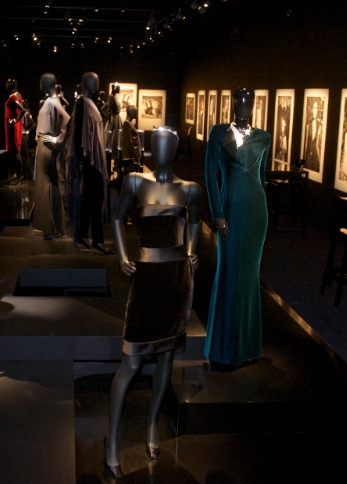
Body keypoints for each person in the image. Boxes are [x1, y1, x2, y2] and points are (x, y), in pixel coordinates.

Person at [104, 126, 200, 480]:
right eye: (154, 144)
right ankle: (112, 442)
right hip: (145, 279)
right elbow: (117, 218)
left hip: (175, 280)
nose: (158, 150)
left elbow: (195, 223)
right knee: (131, 361)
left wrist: (191, 252)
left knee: (166, 359)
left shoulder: (189, 189)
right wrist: (121, 256)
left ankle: (151, 426)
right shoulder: (134, 182)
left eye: (165, 145)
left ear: (173, 150)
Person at [204, 87, 270, 368]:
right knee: (229, 273)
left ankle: (248, 347)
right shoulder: (218, 133)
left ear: (254, 105)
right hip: (229, 210)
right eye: (239, 101)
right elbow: (210, 173)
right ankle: (224, 349)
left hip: (256, 213)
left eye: (248, 101)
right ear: (232, 103)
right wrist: (216, 213)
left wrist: (265, 214)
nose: (243, 106)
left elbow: (261, 178)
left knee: (250, 277)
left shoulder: (263, 137)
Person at [67, 72, 110, 254]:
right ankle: (97, 240)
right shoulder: (81, 103)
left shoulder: (90, 102)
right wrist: (81, 159)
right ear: (84, 82)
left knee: (87, 197)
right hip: (90, 159)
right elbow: (77, 131)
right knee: (97, 198)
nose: (96, 82)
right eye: (92, 80)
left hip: (93, 158)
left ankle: (83, 235)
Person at [32, 73, 70, 239]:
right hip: (45, 147)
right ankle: (53, 226)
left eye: (42, 81)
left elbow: (69, 121)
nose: (40, 83)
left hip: (47, 148)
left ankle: (51, 227)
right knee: (48, 185)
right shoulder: (51, 100)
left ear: (47, 83)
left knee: (49, 185)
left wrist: (57, 139)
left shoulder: (52, 101)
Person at [4, 78, 26, 183]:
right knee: (15, 151)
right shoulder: (18, 95)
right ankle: (17, 175)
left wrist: (16, 119)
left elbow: (22, 110)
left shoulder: (13, 97)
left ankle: (19, 175)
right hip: (14, 126)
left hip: (12, 127)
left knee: (15, 151)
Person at [303, 99, 322, 172]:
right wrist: (304, 158)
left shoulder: (319, 124)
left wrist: (319, 158)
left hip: (315, 153)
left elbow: (317, 144)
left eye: (316, 108)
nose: (315, 110)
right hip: (308, 152)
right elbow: (305, 142)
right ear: (311, 109)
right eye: (314, 108)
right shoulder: (308, 123)